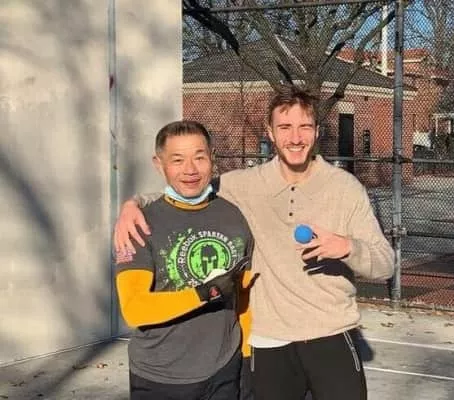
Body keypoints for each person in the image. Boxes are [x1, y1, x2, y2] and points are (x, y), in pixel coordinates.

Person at [115, 86, 394, 400]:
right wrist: (134, 204)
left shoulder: (346, 188)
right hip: (268, 340)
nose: (295, 137)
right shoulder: (242, 185)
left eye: (304, 127)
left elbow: (385, 264)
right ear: (270, 132)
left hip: (330, 332)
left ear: (317, 131)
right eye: (285, 127)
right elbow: (189, 186)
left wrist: (348, 247)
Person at [115, 120, 254, 400]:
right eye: (177, 160)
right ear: (159, 164)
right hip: (160, 375)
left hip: (225, 368)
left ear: (212, 158)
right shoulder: (139, 224)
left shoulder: (234, 215)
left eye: (199, 157)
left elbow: (244, 291)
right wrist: (205, 293)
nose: (190, 170)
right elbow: (134, 309)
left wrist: (247, 355)